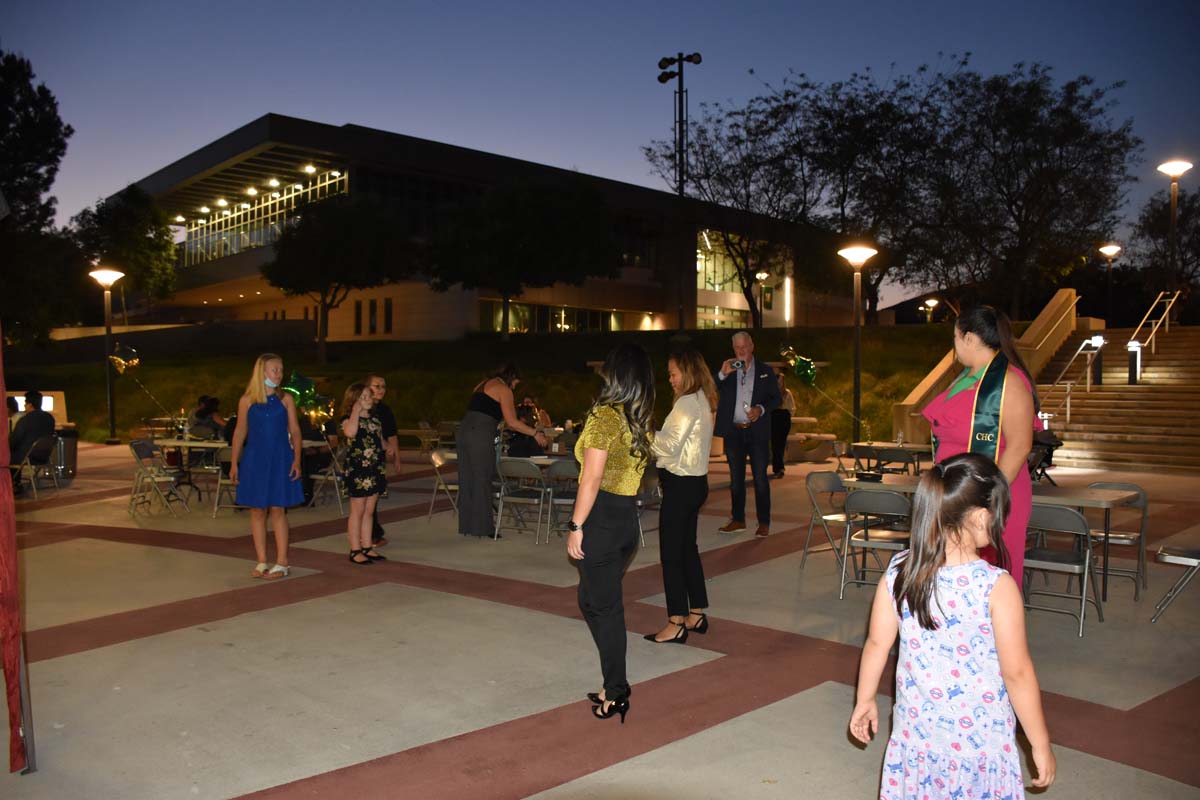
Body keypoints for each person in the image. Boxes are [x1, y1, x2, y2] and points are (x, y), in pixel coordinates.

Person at [849, 453, 1056, 798]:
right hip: (980, 745)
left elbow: (876, 644)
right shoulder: (996, 587)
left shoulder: (900, 570)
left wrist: (865, 698)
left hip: (917, 735)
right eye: (999, 514)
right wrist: (1039, 742)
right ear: (978, 517)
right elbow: (1016, 673)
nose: (1002, 523)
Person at [566, 344, 655, 724]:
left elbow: (592, 477)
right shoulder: (637, 418)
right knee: (591, 600)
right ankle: (613, 683)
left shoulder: (605, 416)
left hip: (602, 519)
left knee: (604, 608)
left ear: (616, 375)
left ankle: (616, 692)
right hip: (625, 521)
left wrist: (575, 526)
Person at [922, 306, 1040, 587]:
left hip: (990, 496)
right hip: (957, 495)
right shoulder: (967, 379)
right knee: (952, 577)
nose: (955, 345)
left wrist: (983, 496)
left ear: (969, 338)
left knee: (989, 582)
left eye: (955, 337)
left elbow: (1020, 445)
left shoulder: (1009, 382)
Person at [645, 349, 716, 645]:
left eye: (673, 373)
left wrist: (644, 432)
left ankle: (676, 621)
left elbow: (668, 447)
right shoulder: (701, 398)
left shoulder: (686, 403)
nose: (670, 379)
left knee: (672, 555)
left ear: (686, 373)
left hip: (681, 485)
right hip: (696, 483)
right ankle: (696, 613)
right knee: (687, 550)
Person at [230, 354, 305, 580]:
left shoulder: (286, 400)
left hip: (280, 457)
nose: (279, 374)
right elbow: (240, 431)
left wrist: (297, 459)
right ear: (262, 372)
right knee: (257, 510)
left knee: (278, 509)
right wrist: (234, 461)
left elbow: (295, 431)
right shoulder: (247, 401)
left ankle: (282, 562)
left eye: (281, 370)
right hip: (255, 459)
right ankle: (262, 560)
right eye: (275, 370)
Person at [456, 364, 547, 538]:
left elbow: (482, 410)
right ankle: (484, 528)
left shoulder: (482, 384)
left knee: (467, 479)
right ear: (511, 378)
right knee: (482, 478)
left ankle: (467, 525)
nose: (515, 387)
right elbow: (512, 422)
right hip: (479, 434)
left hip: (463, 432)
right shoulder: (504, 390)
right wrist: (535, 433)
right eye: (515, 383)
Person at [714, 331, 781, 537]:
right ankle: (738, 519)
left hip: (757, 432)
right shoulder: (729, 370)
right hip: (734, 431)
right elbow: (710, 387)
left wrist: (760, 409)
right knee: (736, 479)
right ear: (733, 349)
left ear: (752, 346)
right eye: (737, 348)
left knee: (760, 478)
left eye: (744, 347)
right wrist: (722, 374)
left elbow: (776, 398)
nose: (741, 351)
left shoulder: (765, 371)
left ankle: (763, 522)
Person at [340, 383, 388, 565]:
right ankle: (355, 549)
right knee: (357, 510)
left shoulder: (375, 419)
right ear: (353, 401)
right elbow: (350, 433)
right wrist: (355, 413)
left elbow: (378, 439)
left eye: (369, 396)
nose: (368, 400)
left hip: (375, 468)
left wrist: (387, 446)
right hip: (358, 470)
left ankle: (368, 546)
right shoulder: (348, 419)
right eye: (363, 397)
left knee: (369, 511)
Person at [365, 374, 401, 547]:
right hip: (363, 459)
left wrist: (397, 458)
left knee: (374, 497)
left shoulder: (384, 410)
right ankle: (370, 534)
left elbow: (391, 434)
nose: (381, 390)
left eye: (383, 387)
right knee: (364, 500)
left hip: (377, 459)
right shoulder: (361, 408)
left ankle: (372, 533)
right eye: (376, 386)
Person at [9, 390, 56, 496]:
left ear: (30, 405)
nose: (25, 406)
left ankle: (14, 484)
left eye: (25, 403)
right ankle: (16, 483)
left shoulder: (24, 420)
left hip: (26, 458)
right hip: (44, 457)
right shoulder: (50, 418)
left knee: (7, 455)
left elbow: (14, 441)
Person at [770, 368, 796, 479]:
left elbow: (792, 407)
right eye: (778, 380)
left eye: (781, 380)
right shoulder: (771, 392)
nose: (779, 383)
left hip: (784, 417)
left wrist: (789, 415)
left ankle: (779, 467)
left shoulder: (787, 393)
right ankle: (778, 468)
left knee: (781, 443)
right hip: (774, 417)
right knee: (775, 444)